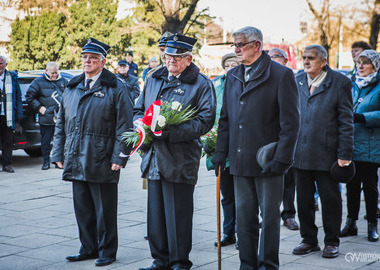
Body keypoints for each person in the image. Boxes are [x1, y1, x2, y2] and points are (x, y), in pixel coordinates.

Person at [212, 26, 300, 270]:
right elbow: (226, 119)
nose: (236, 50)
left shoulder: (281, 75)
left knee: (269, 220)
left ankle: (268, 265)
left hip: (268, 162)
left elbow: (291, 123)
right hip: (240, 161)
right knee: (244, 219)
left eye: (240, 45)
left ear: (257, 46)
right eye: (234, 45)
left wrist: (282, 159)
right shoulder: (232, 76)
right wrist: (221, 151)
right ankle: (247, 265)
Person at [51, 38, 133, 267]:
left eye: (93, 58)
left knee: (105, 210)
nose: (87, 61)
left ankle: (107, 251)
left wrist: (120, 156)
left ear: (103, 62)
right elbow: (62, 123)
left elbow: (125, 126)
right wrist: (58, 152)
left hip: (102, 156)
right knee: (83, 208)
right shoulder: (72, 86)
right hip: (76, 155)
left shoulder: (116, 87)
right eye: (84, 57)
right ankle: (88, 247)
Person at [136, 33, 216, 270]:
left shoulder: (201, 83)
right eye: (168, 55)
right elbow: (138, 107)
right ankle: (160, 259)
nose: (170, 60)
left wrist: (169, 131)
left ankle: (180, 261)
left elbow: (205, 120)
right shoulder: (154, 78)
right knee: (156, 215)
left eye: (177, 57)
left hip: (180, 159)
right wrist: (139, 124)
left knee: (178, 215)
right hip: (153, 158)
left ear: (188, 59)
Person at [291, 45, 353, 259]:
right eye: (304, 58)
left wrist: (345, 153)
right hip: (300, 152)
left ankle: (331, 242)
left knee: (330, 201)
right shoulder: (297, 79)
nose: (306, 61)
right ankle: (309, 240)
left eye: (311, 58)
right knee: (304, 200)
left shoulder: (340, 83)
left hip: (328, 154)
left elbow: (346, 121)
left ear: (323, 61)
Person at [339, 49, 380, 242]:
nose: (360, 66)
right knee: (351, 186)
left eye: (365, 62)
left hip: (371, 145)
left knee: (370, 186)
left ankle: (372, 225)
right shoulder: (352, 84)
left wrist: (362, 117)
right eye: (358, 62)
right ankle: (351, 223)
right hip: (350, 143)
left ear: (375, 66)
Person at [205, 53, 239, 248]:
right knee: (226, 195)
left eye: (234, 64)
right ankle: (228, 232)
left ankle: (242, 233)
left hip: (240, 148)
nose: (230, 68)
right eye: (227, 65)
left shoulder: (244, 83)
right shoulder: (216, 85)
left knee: (243, 196)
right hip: (220, 147)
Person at [268, 48, 299, 231]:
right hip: (268, 138)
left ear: (285, 60)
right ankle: (268, 215)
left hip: (287, 137)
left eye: (275, 57)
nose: (271, 60)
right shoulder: (265, 79)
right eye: (269, 57)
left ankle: (289, 215)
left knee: (288, 181)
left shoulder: (290, 78)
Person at [25, 62, 68, 170]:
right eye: (52, 73)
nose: (54, 75)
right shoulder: (38, 82)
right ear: (46, 71)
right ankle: (46, 162)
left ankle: (58, 161)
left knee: (60, 140)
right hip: (46, 116)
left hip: (61, 117)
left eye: (56, 73)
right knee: (46, 141)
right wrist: (39, 108)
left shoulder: (63, 81)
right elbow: (29, 96)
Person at [0, 55, 23, 173]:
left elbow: (18, 97)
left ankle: (7, 165)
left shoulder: (12, 77)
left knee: (8, 142)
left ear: (5, 65)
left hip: (8, 116)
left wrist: (18, 118)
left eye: (1, 63)